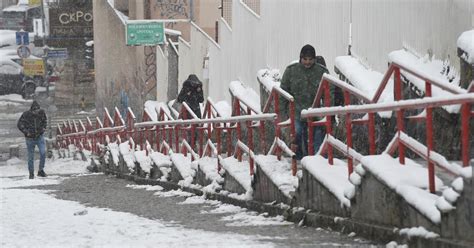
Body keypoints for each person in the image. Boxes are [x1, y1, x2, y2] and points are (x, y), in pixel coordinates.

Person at [280, 44, 331, 160]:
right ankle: (297, 159)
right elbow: (283, 92)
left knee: (318, 135)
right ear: (300, 58)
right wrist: (282, 112)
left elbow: (329, 93)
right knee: (297, 133)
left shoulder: (321, 72)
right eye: (305, 59)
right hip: (297, 111)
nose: (307, 62)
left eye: (310, 59)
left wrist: (329, 112)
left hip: (315, 112)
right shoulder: (291, 71)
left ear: (314, 59)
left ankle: (318, 160)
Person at [17, 100, 47, 179]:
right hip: (30, 138)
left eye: (37, 110)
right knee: (30, 156)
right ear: (32, 110)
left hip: (39, 136)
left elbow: (45, 121)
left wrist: (43, 128)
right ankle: (31, 173)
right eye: (35, 110)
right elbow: (19, 124)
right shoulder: (26, 115)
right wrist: (26, 132)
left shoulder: (42, 113)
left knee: (43, 153)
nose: (36, 112)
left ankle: (41, 170)